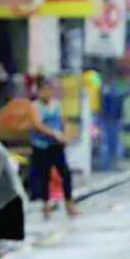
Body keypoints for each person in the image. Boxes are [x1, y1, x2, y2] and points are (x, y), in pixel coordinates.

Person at [29, 78, 78, 218]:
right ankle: (45, 206)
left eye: (50, 89)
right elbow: (38, 125)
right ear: (38, 91)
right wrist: (55, 134)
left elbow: (64, 122)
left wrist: (65, 135)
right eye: (44, 89)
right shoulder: (35, 106)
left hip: (56, 146)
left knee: (65, 174)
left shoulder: (57, 105)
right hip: (41, 146)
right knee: (44, 176)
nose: (48, 92)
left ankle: (69, 204)